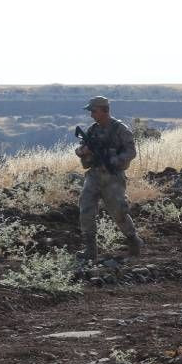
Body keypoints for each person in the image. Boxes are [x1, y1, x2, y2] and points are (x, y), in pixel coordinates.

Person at [74, 96, 142, 261]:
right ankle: (91, 250)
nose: (91, 115)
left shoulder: (120, 129)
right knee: (86, 208)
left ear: (105, 110)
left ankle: (133, 240)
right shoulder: (92, 129)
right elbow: (81, 148)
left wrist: (114, 161)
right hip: (94, 175)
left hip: (113, 177)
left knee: (118, 211)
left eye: (93, 111)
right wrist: (82, 151)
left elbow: (131, 152)